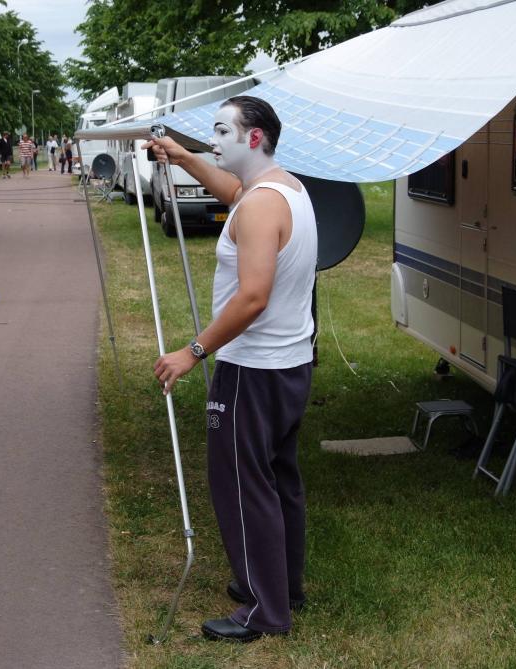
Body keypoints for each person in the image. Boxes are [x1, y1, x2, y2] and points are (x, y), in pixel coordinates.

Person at [146, 96, 317, 643]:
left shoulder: (263, 205)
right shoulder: (280, 188)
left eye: (222, 131)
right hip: (288, 364)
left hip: (252, 370)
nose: (213, 140)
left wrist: (191, 352)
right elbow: (234, 194)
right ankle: (283, 586)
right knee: (277, 479)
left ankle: (263, 609)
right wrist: (181, 156)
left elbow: (252, 298)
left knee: (243, 486)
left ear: (253, 138)